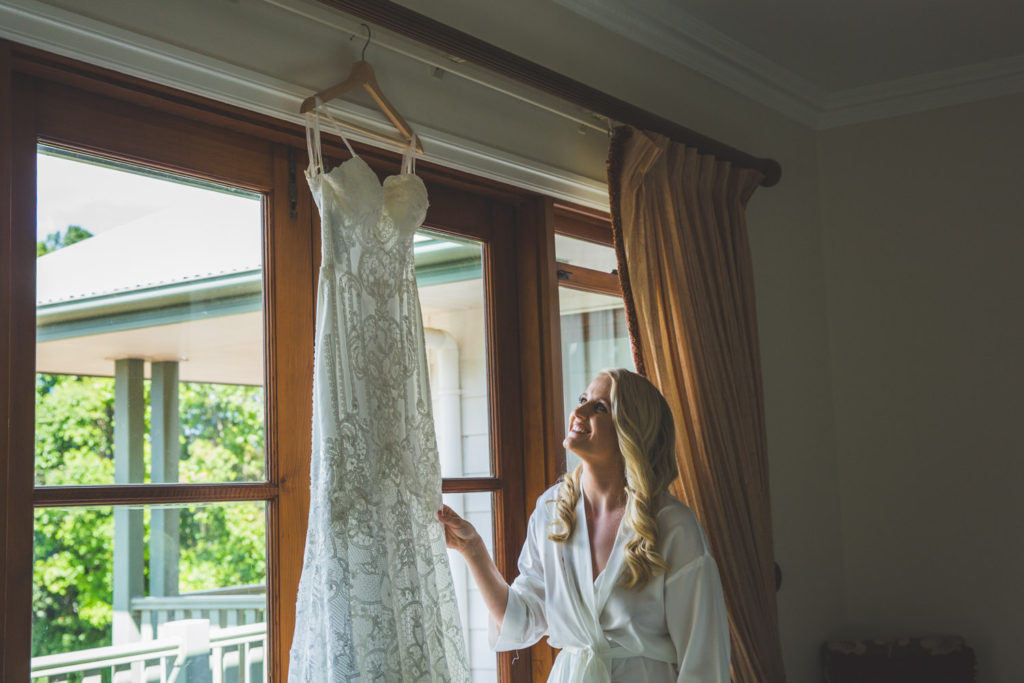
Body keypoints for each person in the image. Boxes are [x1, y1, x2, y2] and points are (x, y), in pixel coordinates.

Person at [437, 368, 730, 683]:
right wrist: (474, 550)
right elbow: (520, 621)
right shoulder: (551, 511)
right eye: (583, 399)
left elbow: (703, 660)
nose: (578, 411)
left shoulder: (673, 527)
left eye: (600, 407)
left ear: (631, 431)